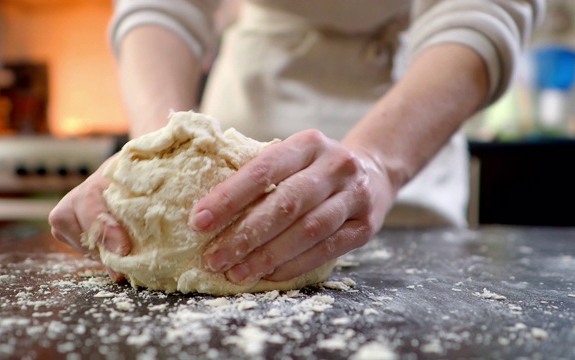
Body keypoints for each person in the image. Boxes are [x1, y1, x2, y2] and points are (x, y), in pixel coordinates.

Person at [49, 1, 544, 285]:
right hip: (245, 113)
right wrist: (160, 155)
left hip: (411, 127)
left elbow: (483, 13)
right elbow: (161, 8)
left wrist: (376, 164)